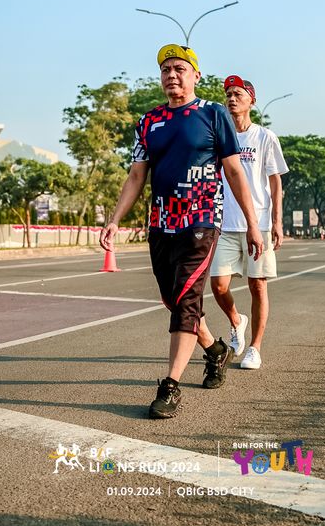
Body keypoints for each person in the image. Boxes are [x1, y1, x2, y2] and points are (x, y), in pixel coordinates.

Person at [100, 45, 263, 419]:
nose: (171, 75)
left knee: (187, 299)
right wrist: (115, 219)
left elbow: (234, 171)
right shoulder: (149, 121)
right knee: (173, 299)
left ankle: (170, 386)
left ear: (196, 76)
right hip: (161, 223)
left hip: (201, 221)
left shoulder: (213, 114)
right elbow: (136, 175)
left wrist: (253, 224)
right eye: (166, 69)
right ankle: (215, 351)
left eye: (180, 68)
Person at [210, 75, 288, 370]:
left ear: (251, 101)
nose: (231, 99)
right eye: (228, 94)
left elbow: (275, 183)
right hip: (226, 223)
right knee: (218, 285)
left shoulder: (265, 137)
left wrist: (277, 222)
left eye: (238, 94)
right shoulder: (221, 137)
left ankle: (254, 347)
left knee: (258, 286)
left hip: (259, 223)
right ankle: (236, 320)